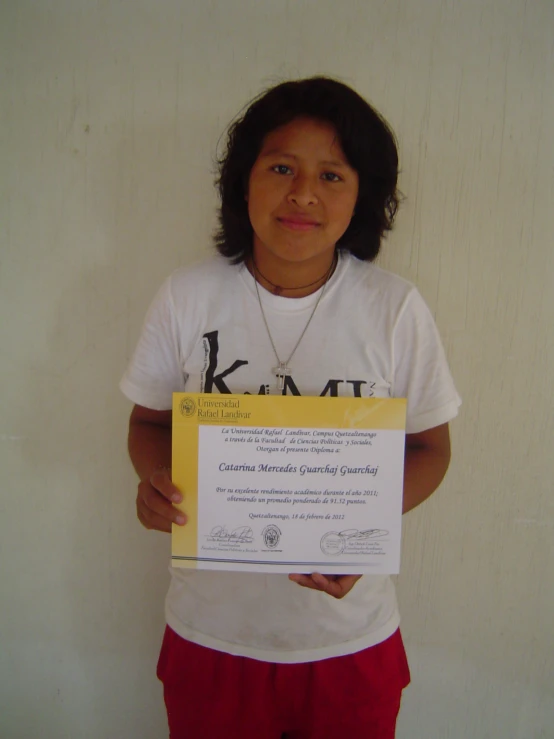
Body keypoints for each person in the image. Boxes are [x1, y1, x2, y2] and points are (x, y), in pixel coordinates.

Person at [120, 76, 461, 739]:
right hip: (210, 635)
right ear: (243, 181)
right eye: (281, 167)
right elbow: (147, 423)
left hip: (346, 641)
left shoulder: (393, 309)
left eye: (332, 174)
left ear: (363, 196)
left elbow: (430, 446)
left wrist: (363, 520)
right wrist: (159, 487)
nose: (303, 191)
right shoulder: (188, 296)